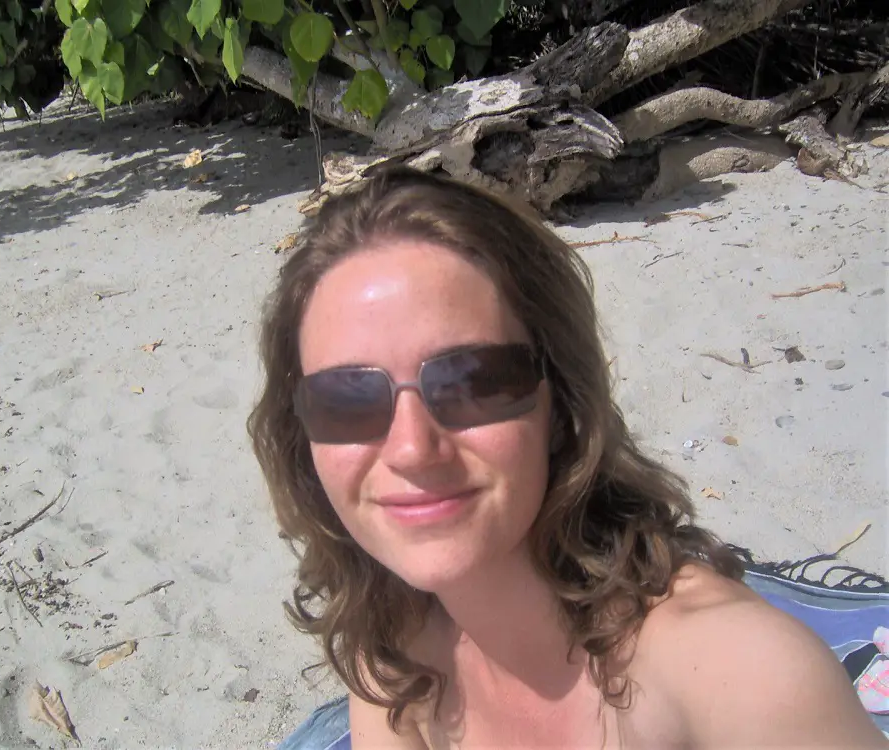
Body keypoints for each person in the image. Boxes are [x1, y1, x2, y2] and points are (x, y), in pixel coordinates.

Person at [248, 167, 885, 748]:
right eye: (346, 399)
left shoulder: (741, 677)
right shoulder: (389, 643)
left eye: (473, 382)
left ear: (561, 407)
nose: (413, 448)